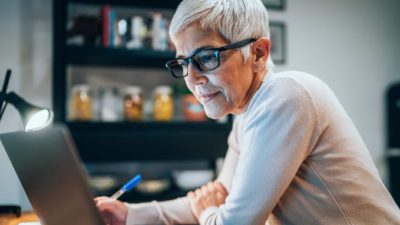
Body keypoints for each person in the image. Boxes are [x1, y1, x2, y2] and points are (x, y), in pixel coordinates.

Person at [95, 0, 400, 224]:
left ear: (258, 52)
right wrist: (127, 214)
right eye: (183, 62)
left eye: (206, 57)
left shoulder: (285, 95)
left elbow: (227, 218)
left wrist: (208, 212)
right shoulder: (246, 116)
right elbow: (217, 197)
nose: (192, 78)